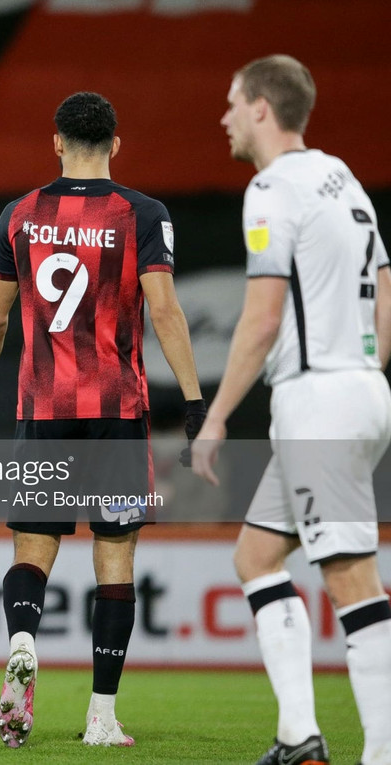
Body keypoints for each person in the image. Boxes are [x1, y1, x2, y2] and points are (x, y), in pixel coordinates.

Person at [0, 92, 205, 748]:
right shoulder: (143, 214)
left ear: (55, 142)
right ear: (116, 145)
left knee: (33, 549)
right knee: (116, 556)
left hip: (44, 409)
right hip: (117, 414)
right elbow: (165, 311)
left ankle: (23, 640)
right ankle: (102, 716)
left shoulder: (20, 214)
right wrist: (192, 400)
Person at [193, 55, 391, 765]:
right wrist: (364, 366)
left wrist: (216, 418)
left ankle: (383, 752)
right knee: (256, 555)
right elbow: (385, 282)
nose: (223, 117)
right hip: (358, 389)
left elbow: (263, 317)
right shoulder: (342, 179)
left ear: (260, 109)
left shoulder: (272, 189)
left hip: (320, 402)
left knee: (350, 577)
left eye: (230, 103)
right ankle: (298, 736)